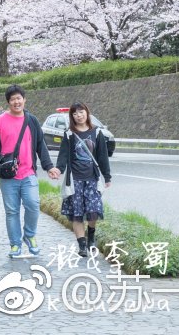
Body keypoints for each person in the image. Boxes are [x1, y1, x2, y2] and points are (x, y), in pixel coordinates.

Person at [0, 85, 57, 258]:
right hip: (7, 176)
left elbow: (41, 145)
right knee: (12, 211)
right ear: (8, 102)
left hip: (28, 173)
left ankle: (29, 236)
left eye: (19, 98)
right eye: (12, 99)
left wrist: (49, 166)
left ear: (24, 100)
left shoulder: (32, 121)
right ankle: (15, 244)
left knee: (33, 205)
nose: (16, 102)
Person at [56, 102, 113, 257]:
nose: (78, 116)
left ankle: (91, 236)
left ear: (87, 113)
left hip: (92, 178)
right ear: (72, 117)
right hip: (75, 180)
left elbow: (102, 156)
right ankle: (82, 245)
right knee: (77, 214)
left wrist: (107, 176)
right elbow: (63, 156)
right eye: (75, 114)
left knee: (93, 211)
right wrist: (58, 170)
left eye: (81, 112)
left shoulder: (97, 133)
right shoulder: (69, 134)